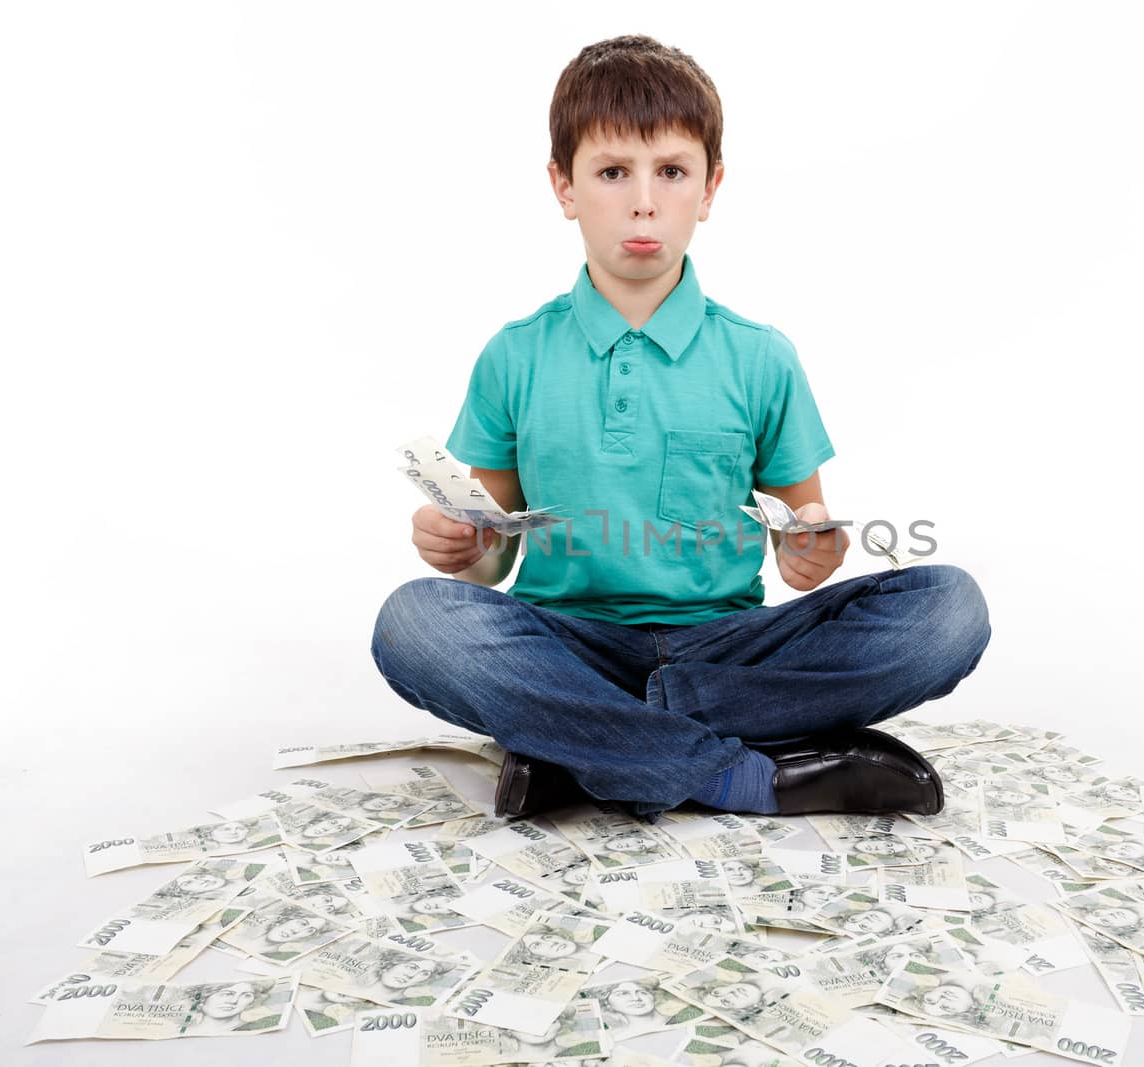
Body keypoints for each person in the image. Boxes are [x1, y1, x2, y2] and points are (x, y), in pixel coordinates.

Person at [371, 34, 990, 820]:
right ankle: (740, 776)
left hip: (729, 651)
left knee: (950, 606)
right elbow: (488, 563)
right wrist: (461, 545)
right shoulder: (514, 356)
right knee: (415, 622)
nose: (643, 200)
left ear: (710, 185)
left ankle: (581, 752)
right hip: (570, 645)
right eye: (611, 172)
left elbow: (805, 530)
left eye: (671, 171)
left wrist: (810, 549)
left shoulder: (761, 357)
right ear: (564, 186)